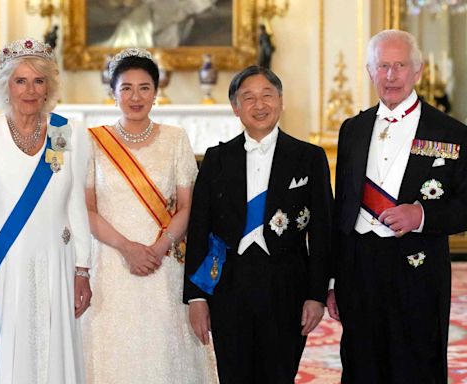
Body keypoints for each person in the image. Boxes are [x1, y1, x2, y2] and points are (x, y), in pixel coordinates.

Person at [327, 29, 467, 383]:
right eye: (383, 66)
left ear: (417, 72)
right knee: (361, 366)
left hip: (417, 270)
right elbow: (342, 210)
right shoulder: (352, 129)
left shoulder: (451, 132)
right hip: (360, 269)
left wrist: (422, 215)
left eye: (400, 66)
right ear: (370, 72)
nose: (391, 76)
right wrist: (333, 280)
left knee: (416, 366)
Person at [184, 65, 333, 384]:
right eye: (248, 98)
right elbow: (199, 228)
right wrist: (196, 296)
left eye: (268, 95)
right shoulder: (217, 159)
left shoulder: (308, 157)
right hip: (229, 286)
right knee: (233, 373)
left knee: (280, 373)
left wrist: (317, 294)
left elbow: (322, 231)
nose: (259, 104)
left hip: (287, 285)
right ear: (235, 108)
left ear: (281, 101)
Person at [0, 38, 92, 383]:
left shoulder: (63, 132)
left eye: (38, 81)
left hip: (54, 262)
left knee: (50, 353)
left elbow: (74, 201)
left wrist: (83, 268)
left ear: (49, 87)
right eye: (20, 81)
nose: (30, 90)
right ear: (6, 86)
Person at [82, 47, 217, 383]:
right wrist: (128, 248)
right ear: (112, 93)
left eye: (144, 87)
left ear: (156, 93)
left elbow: (187, 207)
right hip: (112, 262)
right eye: (126, 87)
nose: (135, 96)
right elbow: (87, 209)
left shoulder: (176, 139)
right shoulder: (92, 141)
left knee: (163, 348)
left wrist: (157, 249)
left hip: (163, 264)